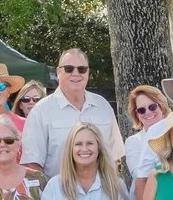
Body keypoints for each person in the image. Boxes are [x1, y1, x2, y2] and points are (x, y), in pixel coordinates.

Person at [25, 49, 125, 177]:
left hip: (102, 193)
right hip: (58, 194)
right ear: (58, 72)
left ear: (88, 72)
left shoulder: (103, 107)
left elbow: (114, 158)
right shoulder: (40, 111)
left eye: (81, 69)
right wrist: (49, 194)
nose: (76, 73)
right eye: (69, 69)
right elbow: (33, 165)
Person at [123, 84, 171, 184]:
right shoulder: (133, 142)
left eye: (152, 107)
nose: (148, 112)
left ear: (161, 106)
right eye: (141, 110)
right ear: (136, 114)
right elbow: (139, 176)